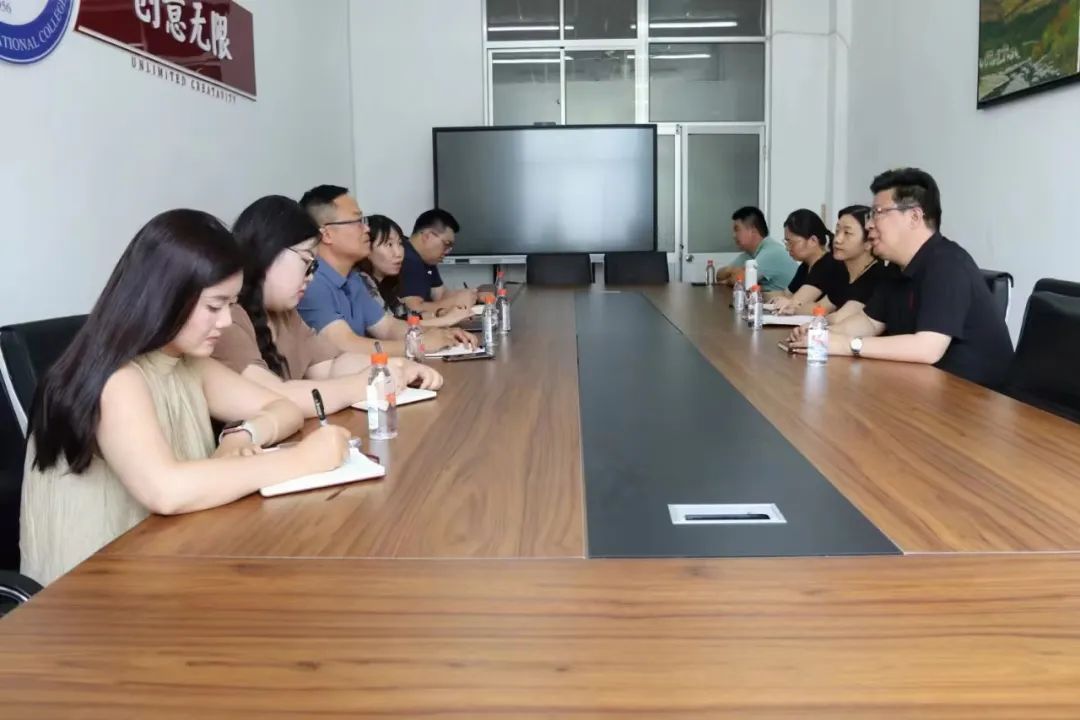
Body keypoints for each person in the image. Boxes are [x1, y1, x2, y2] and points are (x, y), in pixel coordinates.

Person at [21, 209, 351, 586]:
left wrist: (242, 435)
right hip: (93, 591)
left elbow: (283, 408)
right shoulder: (117, 379)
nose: (225, 321)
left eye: (231, 305)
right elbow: (167, 490)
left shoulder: (185, 364)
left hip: (168, 560)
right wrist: (302, 460)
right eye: (214, 306)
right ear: (166, 296)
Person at [212, 196, 443, 414]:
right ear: (268, 251)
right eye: (306, 261)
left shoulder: (288, 315)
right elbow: (270, 397)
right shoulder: (227, 318)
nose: (311, 276)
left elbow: (331, 365)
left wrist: (394, 366)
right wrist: (363, 384)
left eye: (314, 266)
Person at [787, 168, 1014, 389]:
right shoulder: (895, 268)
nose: (869, 224)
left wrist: (848, 345)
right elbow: (869, 323)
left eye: (878, 213)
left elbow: (927, 348)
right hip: (923, 387)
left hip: (975, 397)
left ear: (914, 217)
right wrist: (821, 334)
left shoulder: (948, 264)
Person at [296, 185, 477, 355]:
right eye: (357, 221)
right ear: (327, 234)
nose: (367, 229)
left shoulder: (352, 278)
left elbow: (387, 327)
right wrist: (418, 344)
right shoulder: (311, 282)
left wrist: (440, 334)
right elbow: (345, 345)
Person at [358, 214, 473, 328]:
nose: (398, 253)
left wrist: (439, 314)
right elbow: (391, 329)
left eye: (400, 243)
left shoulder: (387, 284)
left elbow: (405, 316)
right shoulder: (362, 283)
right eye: (389, 245)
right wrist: (445, 320)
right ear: (366, 248)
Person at [815, 205, 898, 323]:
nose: (837, 239)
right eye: (837, 231)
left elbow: (840, 319)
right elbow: (819, 308)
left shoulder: (876, 276)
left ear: (868, 242)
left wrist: (818, 320)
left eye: (847, 233)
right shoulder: (842, 272)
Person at [400, 209, 479, 315]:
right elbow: (413, 310)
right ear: (427, 236)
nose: (447, 252)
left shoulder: (427, 259)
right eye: (446, 244)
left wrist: (473, 295)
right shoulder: (406, 259)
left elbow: (440, 295)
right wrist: (455, 302)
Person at [771, 209, 847, 311]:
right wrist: (759, 295)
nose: (787, 248)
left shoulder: (827, 265)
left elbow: (796, 303)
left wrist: (787, 302)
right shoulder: (805, 266)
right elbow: (787, 294)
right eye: (786, 242)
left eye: (791, 242)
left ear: (813, 240)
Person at [716, 206, 797, 293]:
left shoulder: (771, 253)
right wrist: (731, 270)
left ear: (753, 231)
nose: (734, 236)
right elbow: (719, 276)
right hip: (768, 300)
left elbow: (742, 282)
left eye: (737, 230)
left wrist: (728, 280)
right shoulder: (749, 254)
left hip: (791, 300)